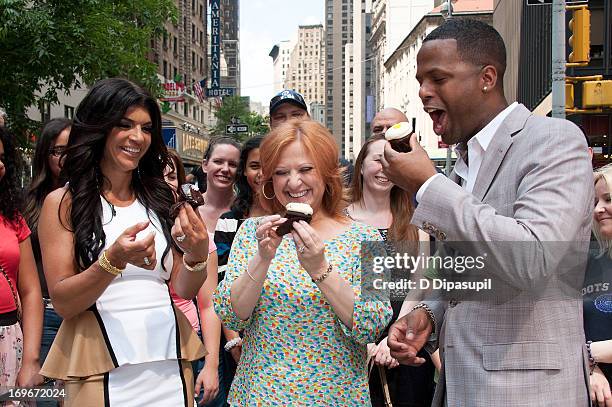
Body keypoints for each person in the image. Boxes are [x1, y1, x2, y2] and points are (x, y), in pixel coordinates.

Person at [383, 19, 592, 406]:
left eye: (438, 78)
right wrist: (430, 314)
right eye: (420, 82)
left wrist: (427, 187)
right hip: (462, 387)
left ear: (487, 77)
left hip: (528, 393)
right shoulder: (461, 164)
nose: (424, 93)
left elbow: (530, 258)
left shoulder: (554, 141)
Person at [38, 78, 209, 406]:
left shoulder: (162, 197)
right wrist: (111, 261)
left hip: (168, 365)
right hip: (99, 370)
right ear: (99, 127)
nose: (137, 137)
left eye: (146, 128)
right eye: (125, 125)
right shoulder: (63, 203)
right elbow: (63, 302)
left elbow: (184, 289)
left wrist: (197, 255)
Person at [213, 119, 392, 406]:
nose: (293, 182)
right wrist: (263, 258)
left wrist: (321, 269)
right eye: (282, 172)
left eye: (306, 169)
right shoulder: (253, 232)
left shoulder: (366, 236)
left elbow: (371, 324)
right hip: (261, 395)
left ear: (327, 173)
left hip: (337, 396)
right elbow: (233, 315)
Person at [348, 136, 435, 407]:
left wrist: (394, 338)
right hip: (351, 347)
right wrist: (366, 342)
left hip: (406, 341)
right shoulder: (339, 220)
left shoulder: (416, 220)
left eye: (391, 162)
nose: (384, 168)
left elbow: (420, 284)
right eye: (377, 160)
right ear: (361, 166)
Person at [164, 149, 221, 405]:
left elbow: (208, 304)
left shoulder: (199, 236)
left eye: (171, 176)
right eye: (156, 175)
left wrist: (211, 365)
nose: (164, 182)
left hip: (186, 343)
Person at [213, 135, 265, 404]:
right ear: (244, 171)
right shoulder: (231, 222)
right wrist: (233, 340)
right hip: (237, 335)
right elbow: (221, 284)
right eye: (255, 165)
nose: (262, 173)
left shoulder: (301, 221)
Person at [23, 118, 71, 381]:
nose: (66, 157)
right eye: (58, 150)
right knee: (46, 398)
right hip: (44, 316)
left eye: (73, 148)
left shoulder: (95, 199)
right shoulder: (27, 203)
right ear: (45, 154)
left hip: (87, 314)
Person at [0, 126, 44, 403]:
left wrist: (30, 360)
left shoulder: (13, 218)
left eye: (2, 158)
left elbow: (30, 292)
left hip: (10, 341)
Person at [585, 164, 612, 407]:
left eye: (608, 199)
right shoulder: (586, 262)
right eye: (595, 201)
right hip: (592, 394)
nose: (599, 209)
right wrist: (590, 369)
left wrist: (589, 353)